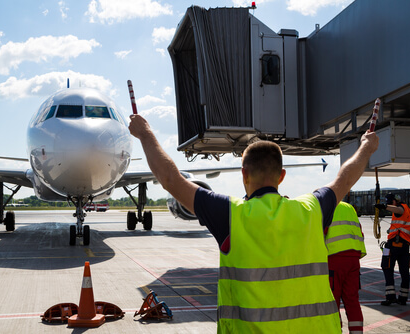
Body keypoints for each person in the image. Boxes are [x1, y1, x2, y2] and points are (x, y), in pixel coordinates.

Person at [129, 114, 378, 333]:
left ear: (243, 174)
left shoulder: (230, 214)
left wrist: (145, 134)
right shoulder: (311, 209)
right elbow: (345, 178)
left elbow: (170, 178)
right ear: (281, 176)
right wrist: (366, 148)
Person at [325, 201, 366, 333]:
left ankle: (335, 330)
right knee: (352, 300)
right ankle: (357, 331)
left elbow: (321, 232)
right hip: (353, 259)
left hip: (334, 258)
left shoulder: (325, 205)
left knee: (333, 301)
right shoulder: (349, 207)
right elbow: (360, 231)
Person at [375, 193, 410, 306]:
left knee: (386, 266)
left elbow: (398, 210)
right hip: (405, 247)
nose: (390, 204)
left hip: (393, 245)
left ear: (396, 201)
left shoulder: (401, 209)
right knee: (404, 272)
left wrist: (384, 206)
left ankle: (390, 297)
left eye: (391, 202)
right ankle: (403, 298)